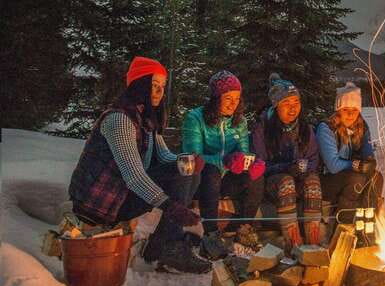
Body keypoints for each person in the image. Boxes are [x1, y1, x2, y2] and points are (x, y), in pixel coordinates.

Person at [68, 56, 211, 274]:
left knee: (187, 171)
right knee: (181, 176)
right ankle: (169, 246)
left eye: (162, 87)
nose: (159, 92)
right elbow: (133, 176)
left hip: (122, 194)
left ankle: (161, 247)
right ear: (140, 84)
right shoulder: (120, 119)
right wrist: (170, 207)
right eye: (154, 86)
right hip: (101, 204)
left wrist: (189, 160)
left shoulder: (145, 117)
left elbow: (164, 157)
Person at [182, 70, 265, 259]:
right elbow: (194, 157)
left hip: (226, 181)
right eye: (228, 98)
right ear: (215, 97)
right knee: (211, 171)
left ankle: (244, 230)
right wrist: (225, 162)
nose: (233, 104)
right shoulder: (195, 118)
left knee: (255, 177)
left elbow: (242, 152)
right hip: (199, 182)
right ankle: (210, 236)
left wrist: (250, 163)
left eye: (237, 98)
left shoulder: (240, 121)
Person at [251, 74, 322, 248]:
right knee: (286, 181)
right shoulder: (263, 128)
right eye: (286, 104)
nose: (293, 109)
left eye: (296, 103)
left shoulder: (305, 129)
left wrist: (303, 171)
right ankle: (294, 244)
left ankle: (313, 244)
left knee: (312, 181)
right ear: (276, 106)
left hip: (299, 178)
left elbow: (313, 159)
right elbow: (259, 164)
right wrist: (286, 168)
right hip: (272, 183)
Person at [317, 82, 383, 224]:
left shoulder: (361, 126)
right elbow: (333, 165)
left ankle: (368, 223)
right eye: (346, 109)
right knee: (356, 180)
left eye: (355, 109)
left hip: (348, 175)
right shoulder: (327, 128)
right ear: (338, 109)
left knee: (376, 177)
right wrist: (356, 165)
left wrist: (369, 161)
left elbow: (367, 152)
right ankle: (344, 227)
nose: (351, 114)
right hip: (325, 178)